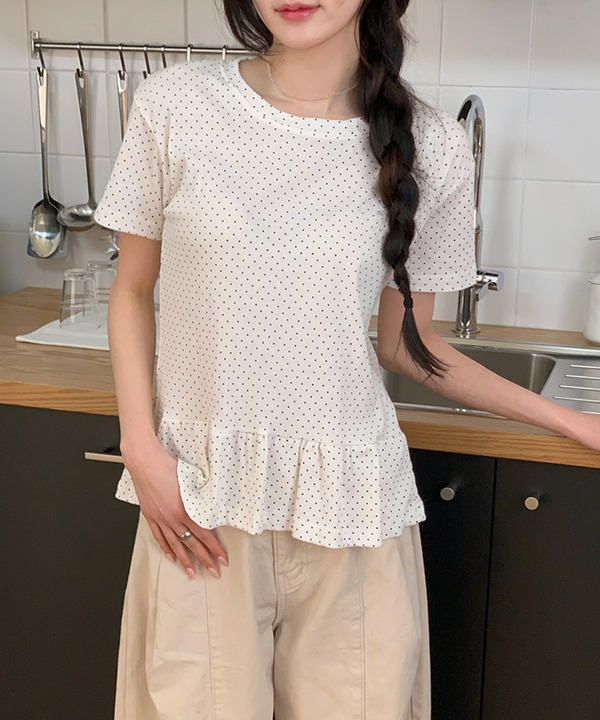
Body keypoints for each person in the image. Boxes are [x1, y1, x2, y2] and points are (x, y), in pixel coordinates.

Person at [93, 1, 600, 718]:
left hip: (354, 506)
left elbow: (409, 347)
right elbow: (131, 289)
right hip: (203, 500)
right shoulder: (175, 104)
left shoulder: (434, 145)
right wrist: (141, 450)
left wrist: (573, 422)